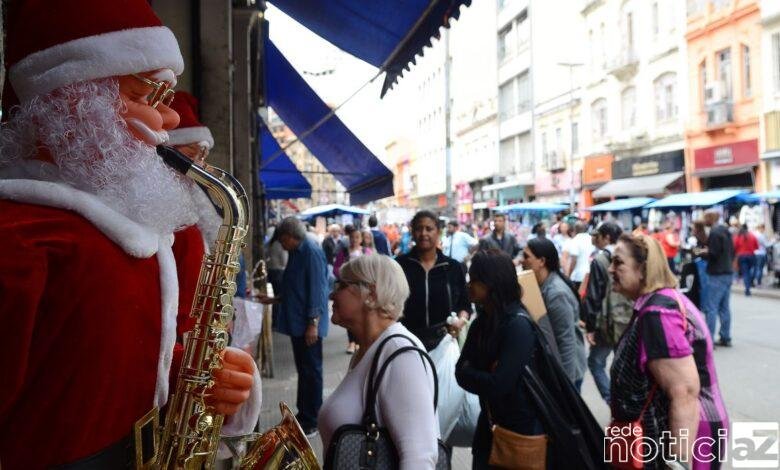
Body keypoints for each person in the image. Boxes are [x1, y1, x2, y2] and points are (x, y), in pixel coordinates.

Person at [0, 1, 258, 466]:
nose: (173, 120)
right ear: (74, 105)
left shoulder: (132, 233)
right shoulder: (19, 240)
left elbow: (114, 367)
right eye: (149, 98)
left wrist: (194, 375)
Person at [608, 234, 728, 469]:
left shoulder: (658, 313)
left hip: (680, 436)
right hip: (653, 432)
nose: (610, 269)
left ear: (643, 269)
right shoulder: (657, 301)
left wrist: (677, 463)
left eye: (618, 262)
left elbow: (684, 392)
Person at [320, 255, 439, 469]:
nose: (332, 293)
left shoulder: (399, 354)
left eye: (341, 285)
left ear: (371, 294)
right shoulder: (368, 349)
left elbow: (419, 458)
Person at [455, 250, 546, 469]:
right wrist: (484, 373)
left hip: (518, 432)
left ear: (492, 282)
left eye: (474, 278)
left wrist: (474, 371)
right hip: (489, 425)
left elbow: (500, 384)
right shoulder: (481, 323)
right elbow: (459, 372)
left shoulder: (517, 325)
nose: (469, 284)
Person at [259, 217, 329, 434]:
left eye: (282, 241)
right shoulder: (298, 252)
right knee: (304, 369)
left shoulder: (310, 252)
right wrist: (274, 299)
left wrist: (313, 323)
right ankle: (304, 413)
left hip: (308, 325)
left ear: (289, 236)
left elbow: (317, 291)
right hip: (300, 323)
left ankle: (312, 419)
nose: (282, 245)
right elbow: (296, 287)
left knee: (311, 370)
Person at [396, 211, 472, 351]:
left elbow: (465, 304)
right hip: (407, 342)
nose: (424, 233)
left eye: (429, 229)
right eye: (419, 228)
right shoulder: (399, 266)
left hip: (444, 342)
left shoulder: (452, 267)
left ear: (438, 232)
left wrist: (460, 321)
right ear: (412, 232)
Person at [522, 238, 587, 390]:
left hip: (568, 372)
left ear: (542, 261)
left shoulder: (556, 293)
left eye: (526, 257)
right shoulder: (543, 285)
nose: (522, 261)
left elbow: (566, 341)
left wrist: (566, 387)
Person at [581, 222, 633, 404]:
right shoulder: (629, 256)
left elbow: (594, 296)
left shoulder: (601, 261)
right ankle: (628, 403)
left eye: (599, 236)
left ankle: (613, 401)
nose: (596, 239)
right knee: (623, 364)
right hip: (628, 319)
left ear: (607, 238)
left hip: (606, 322)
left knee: (596, 362)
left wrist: (590, 327)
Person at [334, 225, 372, 354]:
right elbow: (336, 268)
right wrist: (344, 276)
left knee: (363, 314)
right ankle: (351, 342)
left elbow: (371, 269)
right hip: (347, 288)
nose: (354, 240)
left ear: (361, 239)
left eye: (357, 237)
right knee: (349, 314)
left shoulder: (367, 252)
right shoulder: (343, 252)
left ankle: (360, 341)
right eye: (352, 237)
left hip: (363, 289)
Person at [702, 210, 735, 347]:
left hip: (717, 273)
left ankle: (709, 338)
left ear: (710, 218)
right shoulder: (725, 231)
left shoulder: (715, 232)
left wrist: (704, 253)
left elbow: (713, 254)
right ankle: (725, 336)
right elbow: (731, 251)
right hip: (727, 271)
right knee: (724, 307)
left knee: (711, 307)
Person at [564, 221, 595, 291]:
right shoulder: (591, 239)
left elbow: (574, 260)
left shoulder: (575, 241)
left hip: (578, 277)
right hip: (590, 275)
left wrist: (568, 275)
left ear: (575, 229)